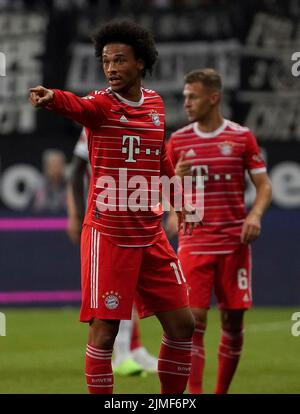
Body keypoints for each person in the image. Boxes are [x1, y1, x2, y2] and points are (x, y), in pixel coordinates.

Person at [29, 20, 196, 394]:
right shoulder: (101, 105)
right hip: (109, 235)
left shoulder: (154, 104)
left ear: (141, 62)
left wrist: (179, 199)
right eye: (106, 61)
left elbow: (160, 158)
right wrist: (52, 97)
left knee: (182, 325)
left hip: (149, 232)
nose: (112, 68)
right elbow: (76, 104)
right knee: (105, 332)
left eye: (120, 60)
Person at [166, 68, 272, 394]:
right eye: (184, 97)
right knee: (193, 321)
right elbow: (166, 189)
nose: (186, 103)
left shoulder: (241, 137)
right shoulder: (178, 141)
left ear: (214, 98)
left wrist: (255, 215)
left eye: (193, 96)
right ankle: (196, 394)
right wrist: (175, 195)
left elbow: (264, 186)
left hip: (234, 243)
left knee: (233, 322)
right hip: (194, 242)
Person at [67, 127, 158, 375]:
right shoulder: (96, 123)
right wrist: (75, 213)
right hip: (101, 220)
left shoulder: (140, 120)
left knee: (133, 286)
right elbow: (75, 172)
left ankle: (134, 349)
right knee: (114, 291)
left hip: (131, 216)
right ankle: (122, 355)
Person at [31, 149, 67, 213]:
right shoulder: (38, 184)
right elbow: (35, 208)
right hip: (42, 220)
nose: (56, 168)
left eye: (59, 164)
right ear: (46, 166)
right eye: (53, 165)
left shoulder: (70, 186)